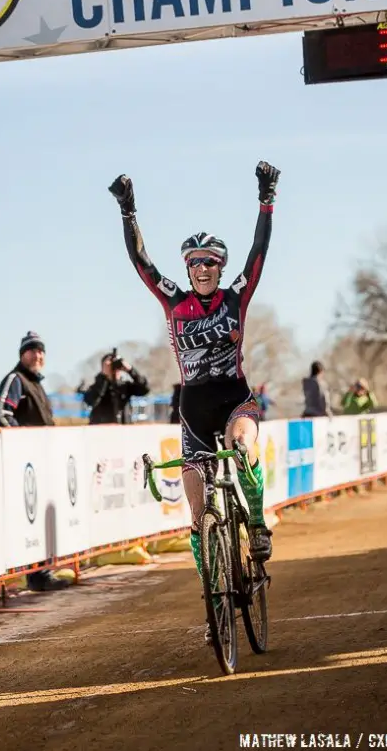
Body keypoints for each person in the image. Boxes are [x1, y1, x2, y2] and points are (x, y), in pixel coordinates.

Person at [109, 161, 280, 642]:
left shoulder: (235, 298)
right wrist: (129, 211)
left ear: (220, 269)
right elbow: (141, 263)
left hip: (234, 402)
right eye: (195, 263)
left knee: (242, 447)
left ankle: (259, 523)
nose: (202, 269)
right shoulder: (173, 302)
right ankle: (214, 607)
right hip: (193, 415)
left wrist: (267, 198)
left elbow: (259, 252)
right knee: (196, 511)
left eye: (210, 262)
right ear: (187, 269)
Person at [0, 332, 69, 592]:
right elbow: (1, 413)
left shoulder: (36, 383)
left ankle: (41, 572)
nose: (38, 355)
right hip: (26, 466)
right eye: (32, 351)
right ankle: (35, 575)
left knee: (40, 519)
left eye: (41, 351)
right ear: (22, 354)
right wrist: (22, 443)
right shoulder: (16, 379)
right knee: (30, 518)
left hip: (42, 462)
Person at [79, 351, 149, 424]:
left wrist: (130, 370)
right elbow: (91, 401)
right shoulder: (96, 386)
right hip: (100, 431)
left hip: (124, 431)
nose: (114, 368)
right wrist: (103, 376)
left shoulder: (125, 386)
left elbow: (144, 389)